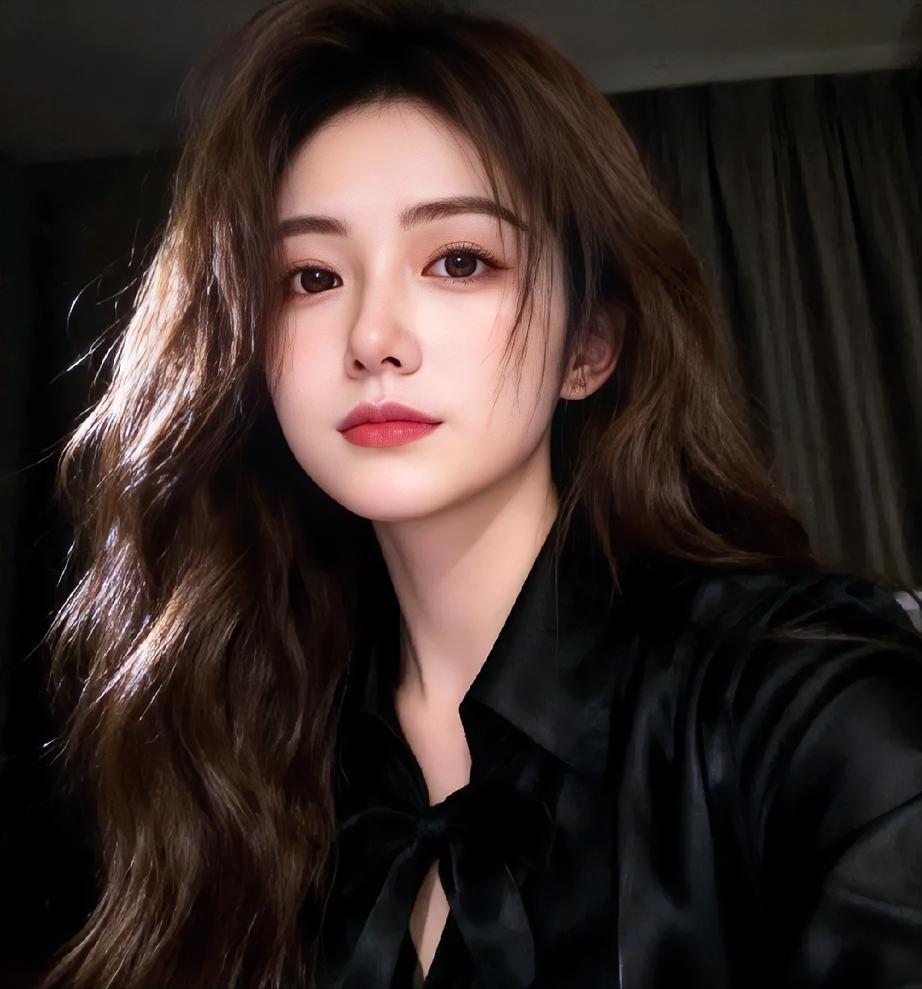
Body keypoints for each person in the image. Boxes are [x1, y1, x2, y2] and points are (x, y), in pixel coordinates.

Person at [40, 0, 922, 987]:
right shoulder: (235, 733)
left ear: (588, 345)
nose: (374, 337)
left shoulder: (809, 702)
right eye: (310, 277)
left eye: (459, 262)